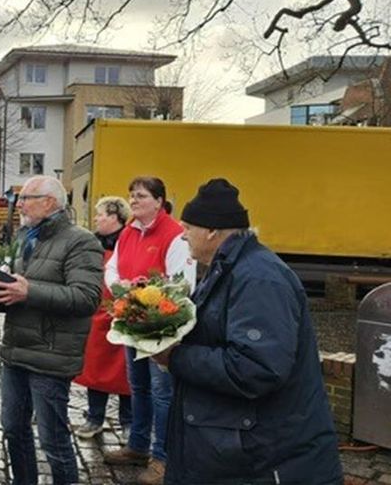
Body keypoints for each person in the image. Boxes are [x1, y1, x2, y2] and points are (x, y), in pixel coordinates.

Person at [155, 178, 342, 484]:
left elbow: (256, 368)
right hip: (236, 448)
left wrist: (175, 357)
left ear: (212, 231)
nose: (183, 233)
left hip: (262, 458)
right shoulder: (228, 267)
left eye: (188, 226)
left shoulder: (258, 278)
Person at [0, 175, 104, 485]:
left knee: (53, 440)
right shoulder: (27, 236)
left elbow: (87, 298)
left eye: (26, 198)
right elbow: (18, 291)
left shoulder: (82, 241)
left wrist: (29, 292)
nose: (20, 204)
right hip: (15, 351)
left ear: (49, 202)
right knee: (13, 429)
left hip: (51, 356)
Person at [102, 176, 196, 485]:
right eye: (132, 195)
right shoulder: (128, 231)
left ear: (159, 201)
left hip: (159, 326)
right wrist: (121, 287)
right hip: (132, 318)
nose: (134, 200)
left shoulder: (174, 235)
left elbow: (182, 282)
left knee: (161, 392)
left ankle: (163, 457)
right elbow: (113, 267)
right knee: (138, 386)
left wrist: (148, 291)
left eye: (141, 195)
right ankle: (138, 445)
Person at [73, 196, 132, 439]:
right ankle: (94, 417)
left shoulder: (129, 243)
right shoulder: (92, 244)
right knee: (95, 370)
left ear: (115, 217)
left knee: (125, 374)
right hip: (97, 315)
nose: (96, 218)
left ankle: (129, 423)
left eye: (101, 215)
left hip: (123, 315)